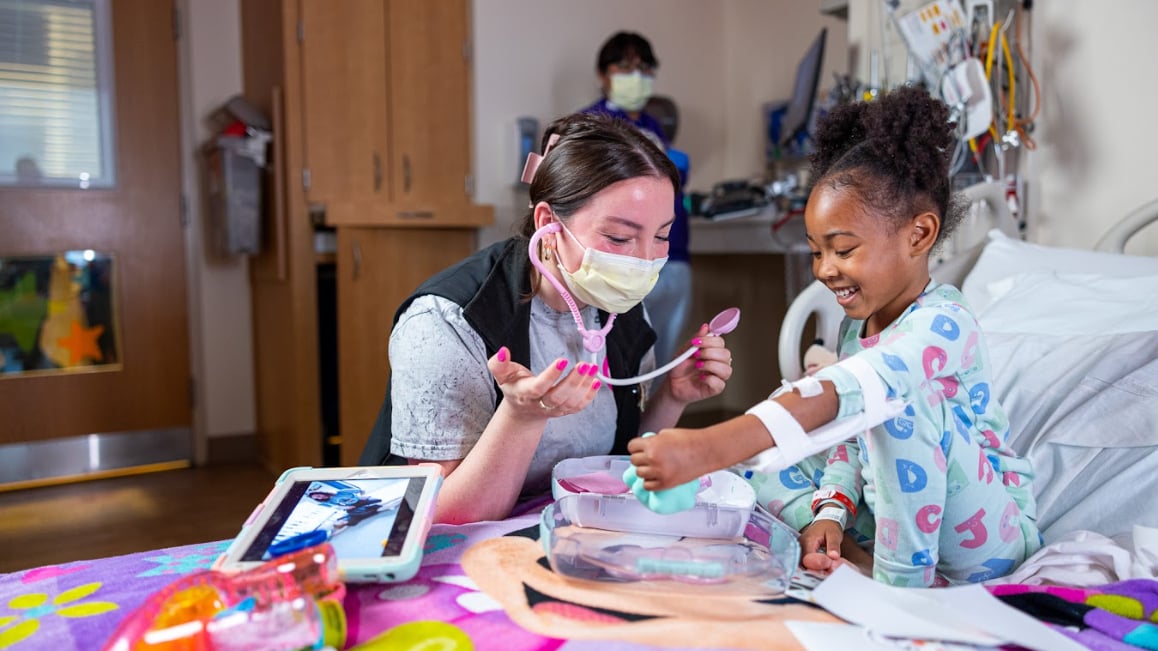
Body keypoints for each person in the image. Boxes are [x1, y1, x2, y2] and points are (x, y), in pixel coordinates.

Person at [625, 86, 1041, 587]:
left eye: (842, 250)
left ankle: (899, 589)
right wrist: (831, 510)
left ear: (919, 235)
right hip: (893, 514)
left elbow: (869, 394)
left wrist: (713, 445)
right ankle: (838, 545)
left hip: (986, 542)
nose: (824, 270)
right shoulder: (855, 328)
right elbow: (850, 437)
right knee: (756, 468)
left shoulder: (945, 322)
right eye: (816, 252)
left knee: (895, 403)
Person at [359, 112, 734, 525]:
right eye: (619, 237)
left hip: (565, 526)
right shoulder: (447, 322)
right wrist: (521, 417)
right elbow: (444, 515)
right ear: (549, 223)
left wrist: (673, 396)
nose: (644, 260)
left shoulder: (621, 309)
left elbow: (618, 467)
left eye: (661, 235)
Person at [581, 31, 692, 366]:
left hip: (673, 253)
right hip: (624, 257)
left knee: (661, 358)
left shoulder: (652, 125)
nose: (637, 76)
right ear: (604, 74)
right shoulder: (591, 124)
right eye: (626, 67)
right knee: (621, 357)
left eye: (644, 68)